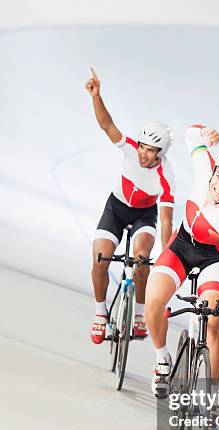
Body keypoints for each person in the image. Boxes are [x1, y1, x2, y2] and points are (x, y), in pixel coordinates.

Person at [145, 124, 219, 398]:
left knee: (214, 321)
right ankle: (162, 360)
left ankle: (211, 392)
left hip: (212, 258)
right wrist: (206, 132)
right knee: (153, 301)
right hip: (181, 244)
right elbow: (190, 135)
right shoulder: (205, 166)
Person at [85, 68, 175, 344]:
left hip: (143, 215)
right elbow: (106, 125)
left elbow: (166, 219)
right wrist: (96, 96)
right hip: (116, 208)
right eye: (143, 147)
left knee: (142, 259)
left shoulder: (166, 176)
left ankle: (137, 315)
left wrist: (166, 254)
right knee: (100, 258)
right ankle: (100, 313)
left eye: (151, 151)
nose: (144, 154)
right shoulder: (130, 149)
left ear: (161, 154)